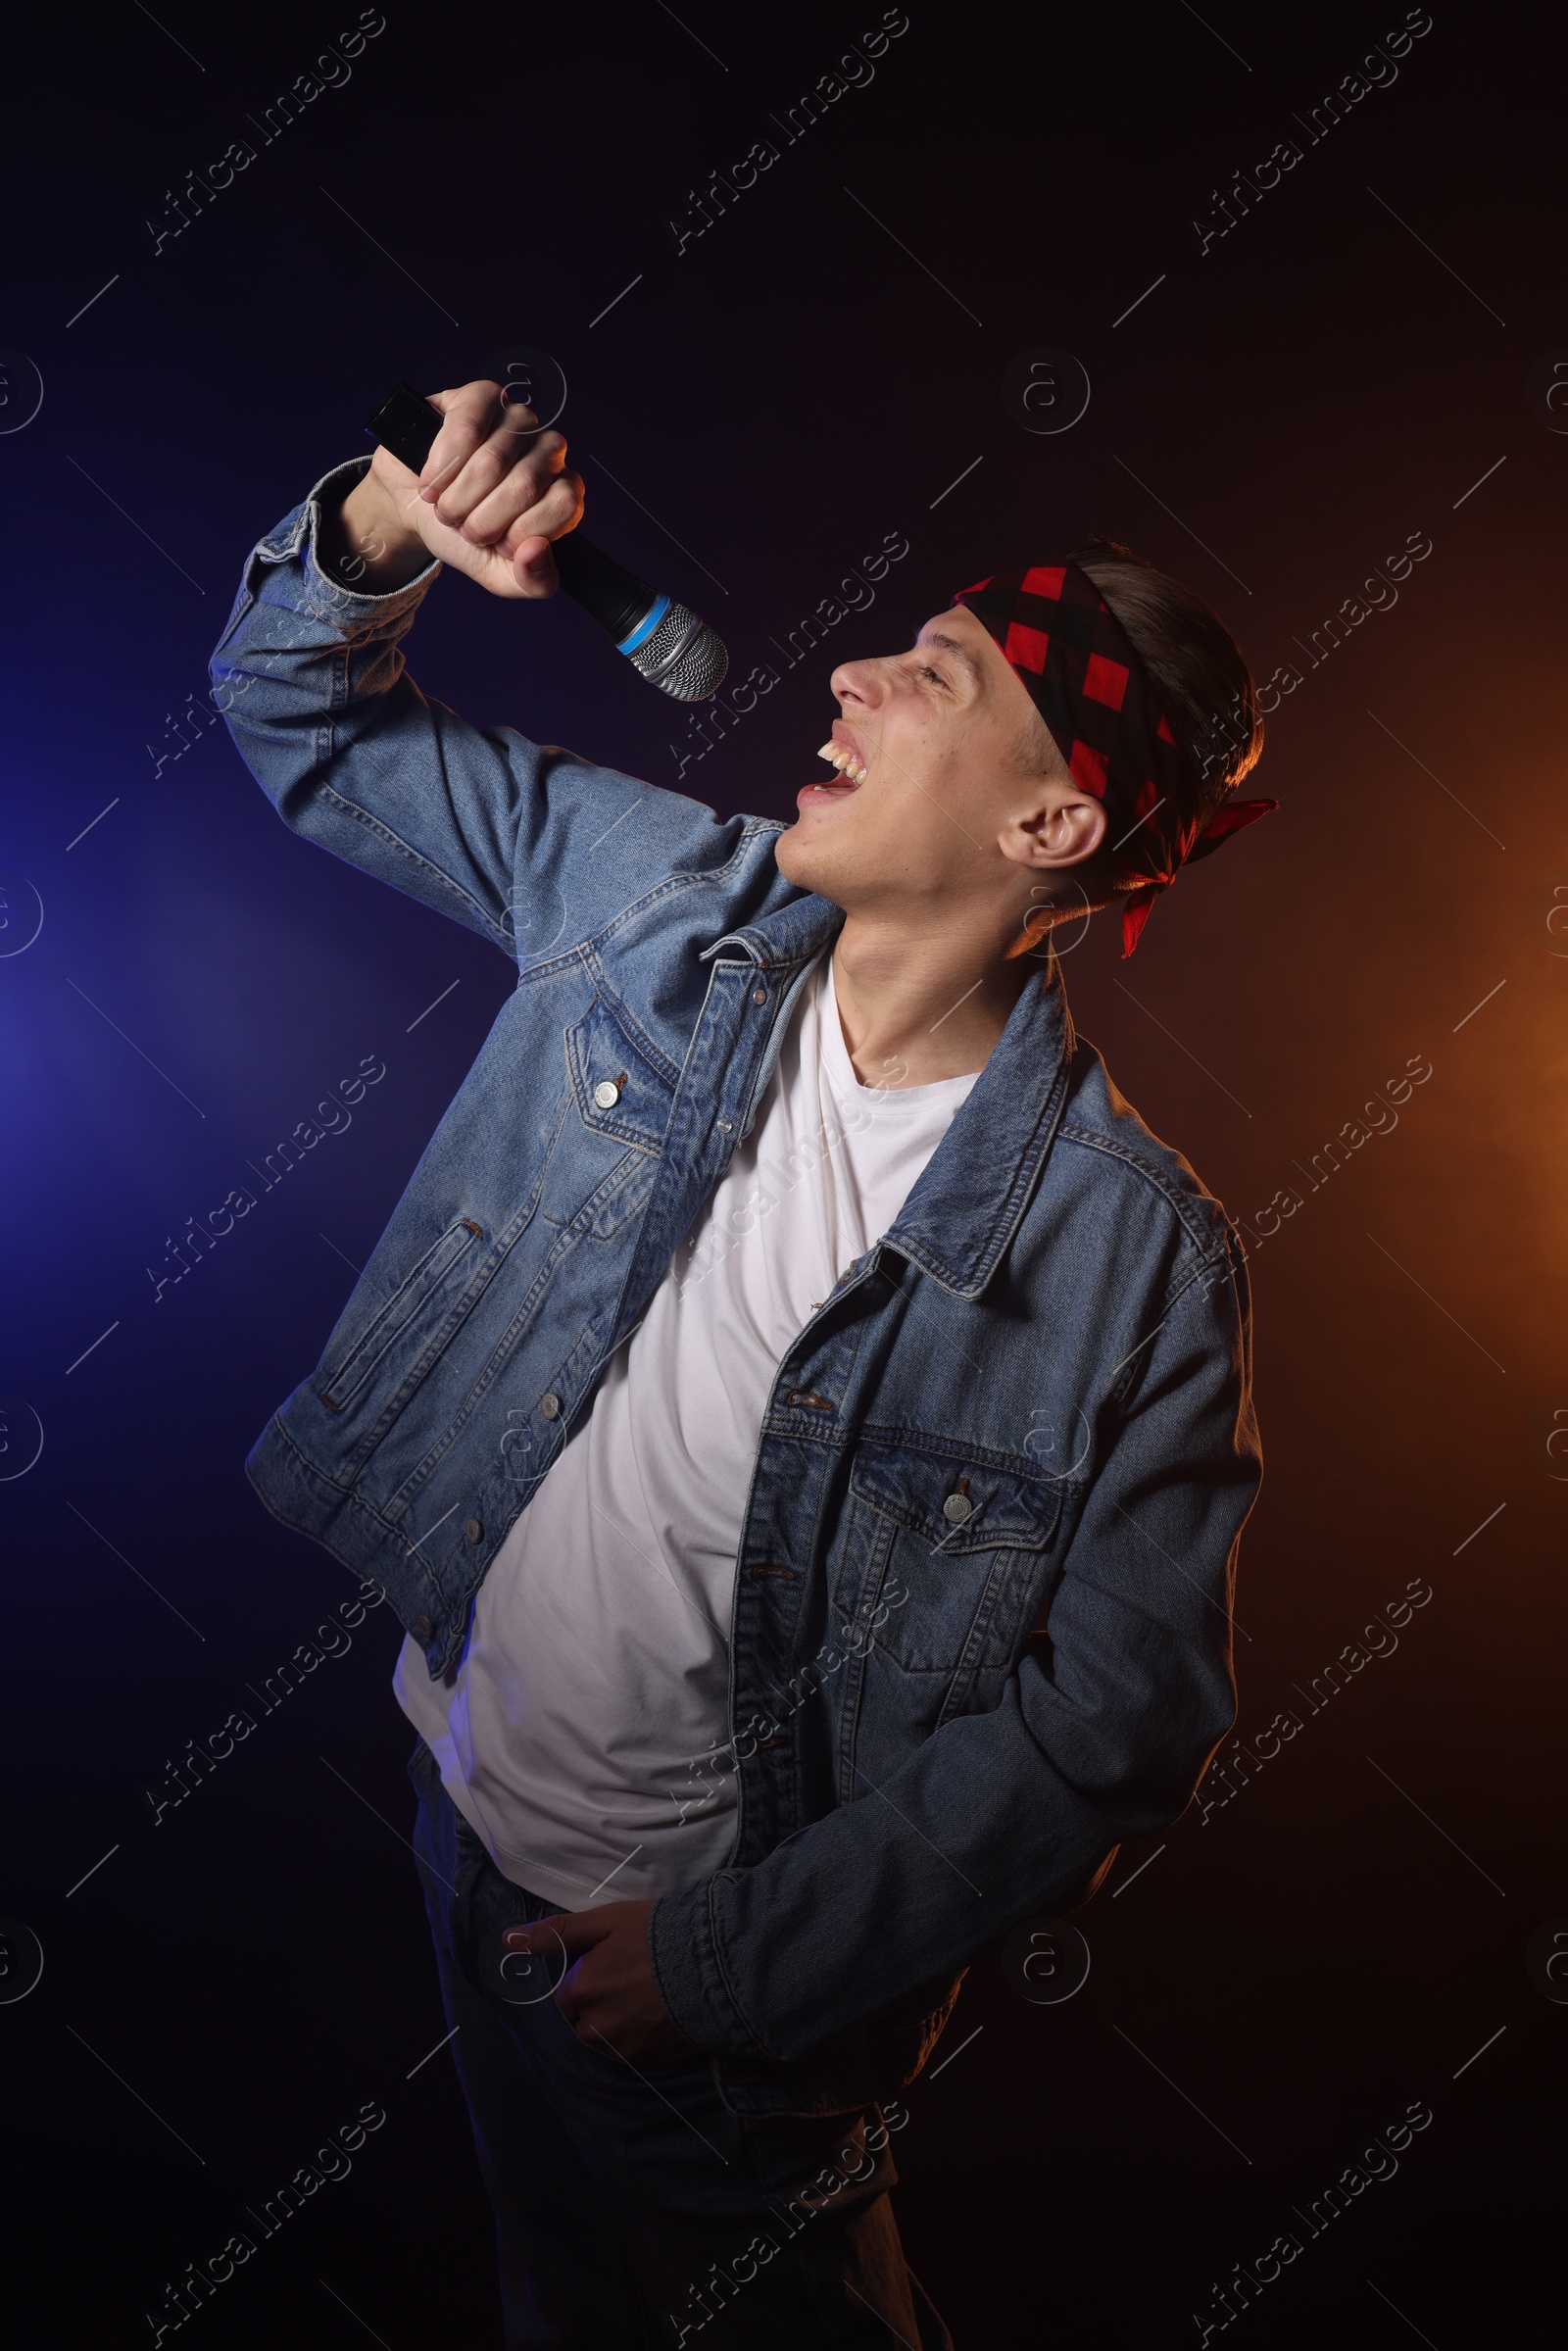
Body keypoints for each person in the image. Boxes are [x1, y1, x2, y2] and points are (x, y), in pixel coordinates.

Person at [214, 379, 1270, 2349]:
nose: (853, 673)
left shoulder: (1136, 1259)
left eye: (936, 675)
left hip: (699, 1997)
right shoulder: (659, 901)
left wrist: (730, 1964)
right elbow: (302, 714)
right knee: (559, 2310)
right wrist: (385, 516)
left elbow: (1118, 1728)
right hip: (464, 1805)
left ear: (1050, 822)